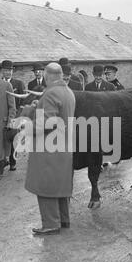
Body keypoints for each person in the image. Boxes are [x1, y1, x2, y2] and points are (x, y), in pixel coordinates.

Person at [24, 62, 76, 235]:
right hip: (64, 146)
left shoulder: (50, 93)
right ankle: (63, 219)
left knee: (45, 187)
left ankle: (51, 224)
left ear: (47, 76)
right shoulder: (68, 92)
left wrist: (28, 127)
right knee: (59, 186)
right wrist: (39, 106)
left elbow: (47, 122)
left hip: (48, 149)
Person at [0, 59, 26, 171]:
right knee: (1, 140)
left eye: (10, 70)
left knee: (13, 139)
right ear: (2, 71)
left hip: (14, 118)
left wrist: (18, 117)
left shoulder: (18, 84)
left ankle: (12, 162)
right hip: (1, 117)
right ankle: (2, 160)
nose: (8, 72)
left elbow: (23, 103)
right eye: (6, 70)